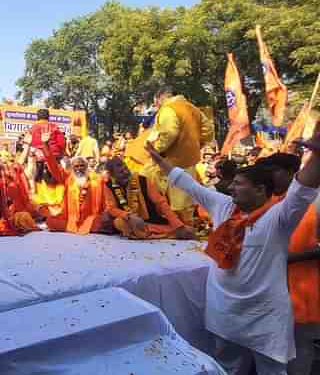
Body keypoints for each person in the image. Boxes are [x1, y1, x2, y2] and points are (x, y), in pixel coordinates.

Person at [145, 119, 320, 375]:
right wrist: (158, 159)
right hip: (224, 311)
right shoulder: (225, 207)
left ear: (260, 190)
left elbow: (301, 190)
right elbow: (188, 184)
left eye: (239, 184)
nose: (231, 187)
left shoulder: (279, 217)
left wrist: (317, 155)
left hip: (265, 315)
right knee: (228, 369)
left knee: (271, 371)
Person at [257, 152, 320, 375]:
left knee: (299, 351)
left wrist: (286, 259)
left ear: (293, 173)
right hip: (272, 294)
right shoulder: (269, 200)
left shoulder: (315, 200)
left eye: (274, 171)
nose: (268, 176)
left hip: (303, 294)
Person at [144, 89, 214, 225]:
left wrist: (155, 150)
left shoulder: (168, 109)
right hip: (190, 159)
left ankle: (171, 224)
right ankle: (186, 224)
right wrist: (197, 144)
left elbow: (169, 133)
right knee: (185, 195)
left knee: (149, 185)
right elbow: (209, 130)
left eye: (155, 103)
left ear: (160, 98)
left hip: (170, 160)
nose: (156, 106)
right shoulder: (193, 109)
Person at [104, 157, 193, 239]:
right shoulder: (109, 186)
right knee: (119, 222)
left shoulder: (143, 180)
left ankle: (173, 231)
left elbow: (161, 203)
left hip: (151, 220)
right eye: (121, 172)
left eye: (126, 169)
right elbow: (111, 208)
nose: (126, 173)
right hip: (130, 220)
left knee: (181, 227)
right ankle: (170, 233)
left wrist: (177, 225)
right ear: (113, 175)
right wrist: (129, 216)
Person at [42, 133, 110, 234]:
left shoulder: (96, 179)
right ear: (72, 168)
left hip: (90, 218)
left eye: (81, 166)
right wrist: (45, 145)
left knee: (105, 222)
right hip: (71, 219)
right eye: (76, 166)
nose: (79, 169)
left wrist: (106, 212)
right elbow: (54, 167)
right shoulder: (68, 178)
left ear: (86, 167)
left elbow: (106, 200)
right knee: (51, 222)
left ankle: (94, 226)